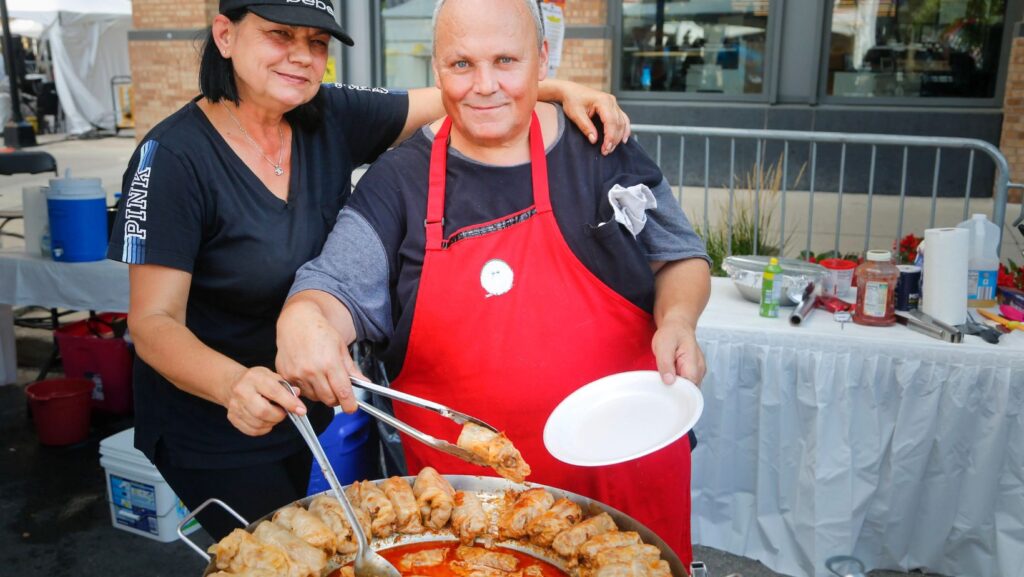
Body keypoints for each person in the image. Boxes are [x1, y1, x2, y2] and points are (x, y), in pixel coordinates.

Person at [105, 0, 632, 541]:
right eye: (279, 35)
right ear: (225, 35)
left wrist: (562, 88)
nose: (301, 57)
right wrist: (232, 384)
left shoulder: (327, 115)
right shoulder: (171, 158)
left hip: (304, 408)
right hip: (215, 422)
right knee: (290, 555)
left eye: (316, 42)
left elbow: (464, 89)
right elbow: (152, 323)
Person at [276, 0, 711, 562]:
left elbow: (678, 256)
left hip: (629, 475)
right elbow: (332, 285)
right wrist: (304, 318)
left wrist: (678, 319)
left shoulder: (599, 145)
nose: (485, 86)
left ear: (542, 60)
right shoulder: (398, 181)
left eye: (506, 60)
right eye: (462, 65)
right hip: (474, 515)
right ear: (436, 69)